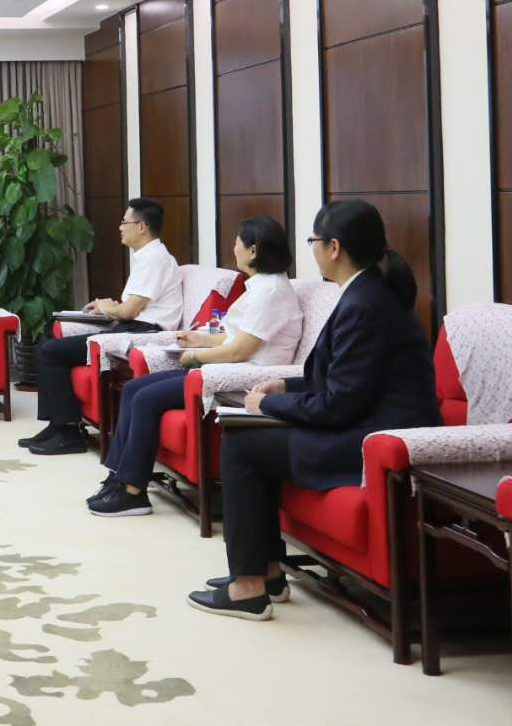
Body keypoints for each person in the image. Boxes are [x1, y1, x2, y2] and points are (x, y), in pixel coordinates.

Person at [188, 199, 440, 620]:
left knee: (242, 444)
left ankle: (248, 587)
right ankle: (266, 574)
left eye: (314, 241)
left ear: (334, 247)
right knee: (246, 435)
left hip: (376, 438)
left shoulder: (364, 303)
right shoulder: (363, 292)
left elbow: (339, 403)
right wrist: (286, 386)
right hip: (364, 421)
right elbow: (345, 377)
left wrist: (269, 403)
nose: (313, 249)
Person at [87, 216, 303, 517]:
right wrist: (198, 339)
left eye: (237, 242)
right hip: (230, 367)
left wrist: (196, 357)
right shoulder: (262, 286)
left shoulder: (271, 291)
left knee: (146, 399)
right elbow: (236, 337)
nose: (234, 247)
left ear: (253, 250)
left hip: (243, 379)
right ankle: (119, 478)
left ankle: (133, 492)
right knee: (134, 388)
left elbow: (239, 350)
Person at [22, 198, 183, 455]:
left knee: (51, 351)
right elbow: (133, 307)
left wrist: (107, 307)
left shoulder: (155, 258)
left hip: (144, 334)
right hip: (132, 327)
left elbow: (130, 311)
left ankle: (69, 432)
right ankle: (57, 426)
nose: (120, 227)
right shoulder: (147, 257)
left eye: (124, 222)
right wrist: (107, 306)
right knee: (48, 347)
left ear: (141, 227)